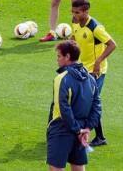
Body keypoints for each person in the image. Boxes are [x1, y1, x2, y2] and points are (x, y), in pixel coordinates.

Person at [47, 40, 101, 171]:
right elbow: (97, 106)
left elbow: (63, 108)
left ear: (67, 57)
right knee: (78, 167)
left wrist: (77, 130)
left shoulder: (62, 78)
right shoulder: (91, 78)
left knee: (56, 168)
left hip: (61, 128)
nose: (57, 60)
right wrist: (87, 128)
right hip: (82, 128)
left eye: (59, 56)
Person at [70, 0, 116, 147]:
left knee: (90, 102)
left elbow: (112, 45)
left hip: (97, 72)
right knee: (84, 101)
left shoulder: (95, 27)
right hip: (82, 68)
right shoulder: (75, 22)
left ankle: (99, 137)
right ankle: (91, 135)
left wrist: (98, 61)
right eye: (73, 11)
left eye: (77, 12)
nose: (74, 15)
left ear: (86, 11)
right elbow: (75, 37)